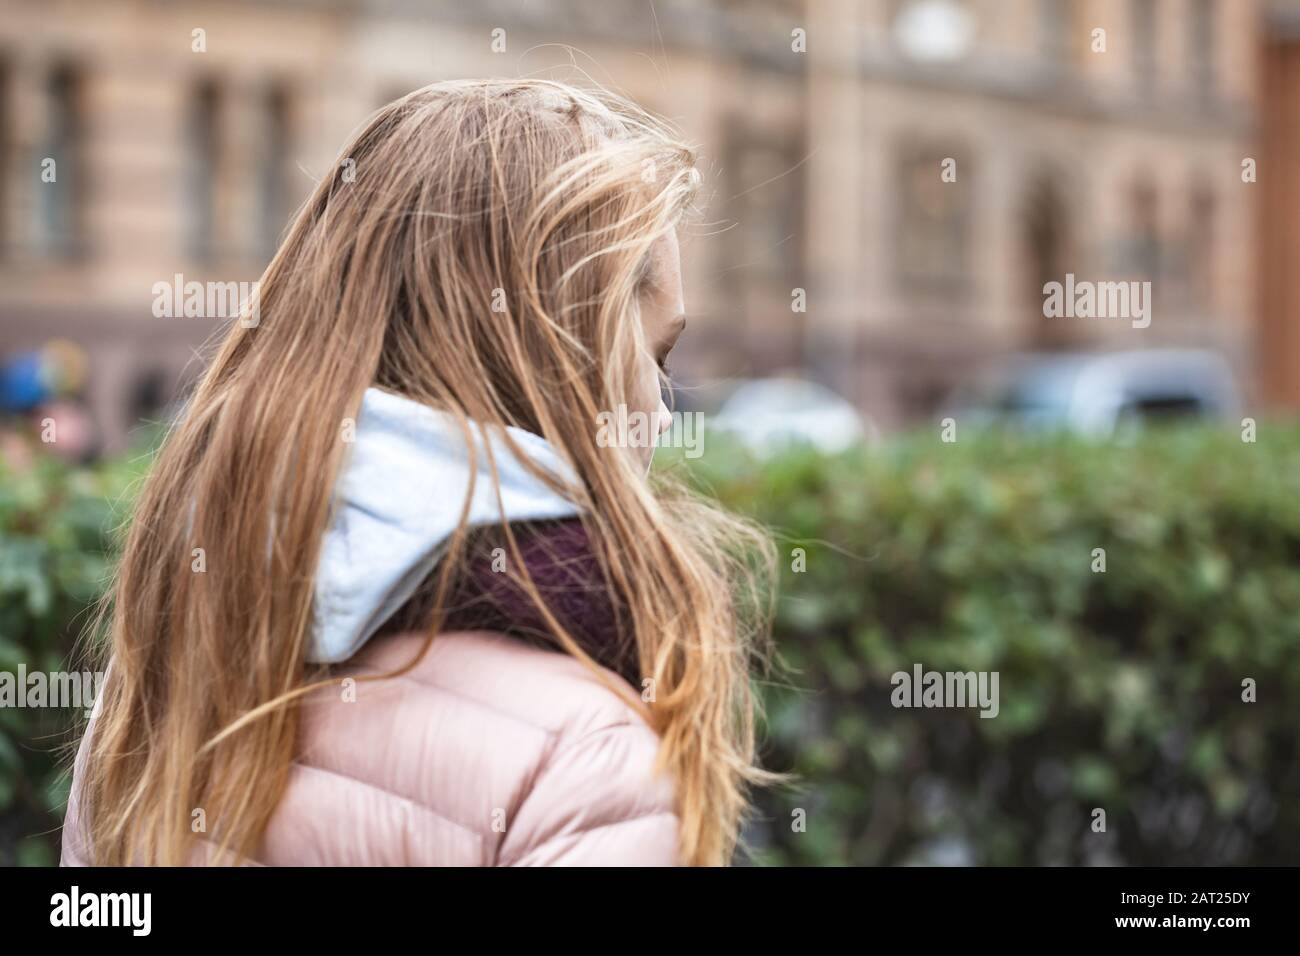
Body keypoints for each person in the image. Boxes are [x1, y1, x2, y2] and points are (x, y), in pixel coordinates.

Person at [61, 78, 774, 867]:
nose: (665, 415)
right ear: (568, 354)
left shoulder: (166, 669)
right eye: (656, 353)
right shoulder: (589, 757)